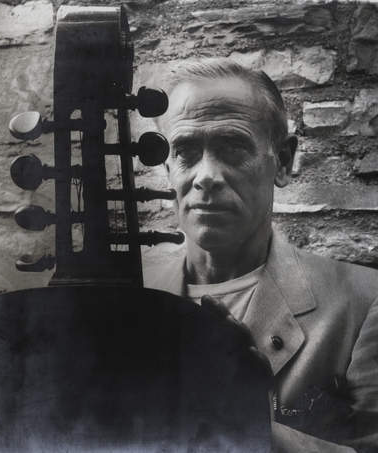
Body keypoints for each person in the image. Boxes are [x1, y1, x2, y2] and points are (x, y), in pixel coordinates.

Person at [144, 58, 378, 452]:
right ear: (168, 167)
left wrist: (248, 426)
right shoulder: (126, 292)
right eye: (186, 151)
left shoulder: (364, 302)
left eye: (233, 148)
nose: (205, 176)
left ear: (283, 162)